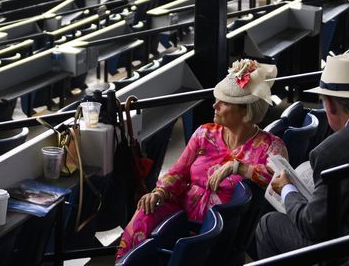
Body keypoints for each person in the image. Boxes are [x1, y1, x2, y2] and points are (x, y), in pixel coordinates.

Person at [116, 60, 285, 260]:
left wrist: (238, 167)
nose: (215, 106)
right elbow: (178, 172)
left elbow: (281, 183)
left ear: (245, 111)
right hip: (184, 213)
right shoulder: (205, 133)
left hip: (218, 232)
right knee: (145, 212)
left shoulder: (270, 146)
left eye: (224, 102)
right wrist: (160, 192)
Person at [255, 54, 349, 263]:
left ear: (330, 105)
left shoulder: (332, 151)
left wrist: (286, 188)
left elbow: (313, 226)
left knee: (268, 226)